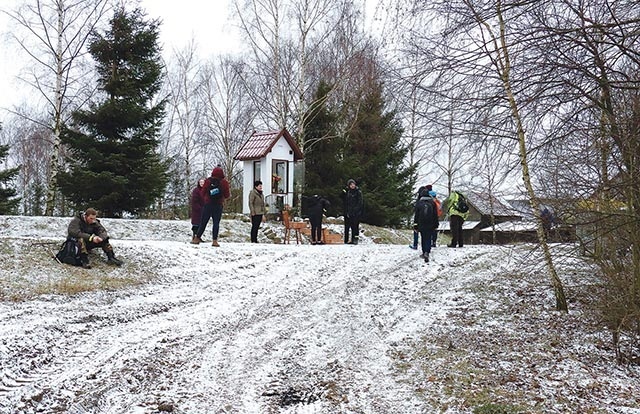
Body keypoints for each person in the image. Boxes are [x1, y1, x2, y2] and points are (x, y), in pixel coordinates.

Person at [192, 166, 231, 246]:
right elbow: (227, 195)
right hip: (218, 205)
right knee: (216, 223)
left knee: (203, 222)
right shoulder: (224, 182)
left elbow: (202, 193)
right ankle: (214, 241)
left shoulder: (207, 181)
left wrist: (207, 198)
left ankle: (197, 238)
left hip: (208, 205)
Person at [413, 187, 439, 262]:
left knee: (423, 237)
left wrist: (415, 225)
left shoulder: (419, 203)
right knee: (428, 237)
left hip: (421, 224)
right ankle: (427, 251)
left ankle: (424, 252)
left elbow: (416, 216)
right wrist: (436, 224)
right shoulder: (432, 203)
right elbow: (435, 215)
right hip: (430, 223)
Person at [342, 178, 364, 244]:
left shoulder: (358, 192)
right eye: (351, 184)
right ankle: (346, 240)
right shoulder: (347, 192)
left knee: (355, 226)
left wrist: (356, 210)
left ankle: (355, 239)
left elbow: (360, 202)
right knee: (348, 226)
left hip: (356, 212)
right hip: (348, 211)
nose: (352, 186)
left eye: (353, 184)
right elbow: (344, 201)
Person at [409, 186, 427, 250]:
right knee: (424, 233)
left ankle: (415, 245)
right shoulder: (428, 199)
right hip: (426, 219)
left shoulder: (419, 200)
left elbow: (416, 210)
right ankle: (426, 246)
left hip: (419, 218)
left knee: (416, 231)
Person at [190, 178, 206, 243]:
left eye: (203, 182)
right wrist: (199, 208)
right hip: (197, 210)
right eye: (201, 182)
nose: (202, 184)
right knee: (196, 224)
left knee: (201, 224)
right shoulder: (196, 190)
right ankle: (194, 236)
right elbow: (194, 201)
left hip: (204, 209)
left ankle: (198, 237)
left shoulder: (206, 190)